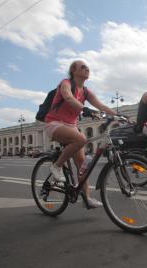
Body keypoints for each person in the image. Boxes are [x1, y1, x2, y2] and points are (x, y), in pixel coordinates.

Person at [44, 60, 117, 209]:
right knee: (81, 139)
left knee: (82, 166)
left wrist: (119, 116)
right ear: (73, 70)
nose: (87, 69)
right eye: (83, 67)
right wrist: (85, 109)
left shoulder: (86, 91)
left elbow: (101, 106)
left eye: (88, 68)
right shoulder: (66, 83)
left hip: (71, 126)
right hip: (55, 124)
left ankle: (87, 198)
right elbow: (68, 97)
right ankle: (57, 166)